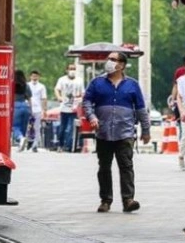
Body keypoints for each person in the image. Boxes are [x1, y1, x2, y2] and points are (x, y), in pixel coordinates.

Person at [82, 52, 150, 213]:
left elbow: (141, 108)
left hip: (125, 132)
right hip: (103, 132)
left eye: (113, 59)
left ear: (122, 64)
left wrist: (146, 130)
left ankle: (128, 200)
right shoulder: (97, 83)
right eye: (109, 59)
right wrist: (91, 116)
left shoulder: (132, 85)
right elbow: (87, 102)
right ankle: (106, 200)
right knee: (104, 167)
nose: (109, 62)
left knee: (126, 166)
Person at [54, 63, 85, 152]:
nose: (72, 70)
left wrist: (80, 98)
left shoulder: (79, 80)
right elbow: (56, 89)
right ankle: (60, 145)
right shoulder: (62, 80)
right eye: (71, 69)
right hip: (64, 107)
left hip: (74, 108)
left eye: (74, 69)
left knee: (72, 128)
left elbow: (82, 92)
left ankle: (69, 146)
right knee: (63, 128)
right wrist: (59, 97)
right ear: (67, 70)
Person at [28, 70, 48, 153]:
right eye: (33, 76)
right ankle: (28, 141)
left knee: (37, 127)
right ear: (30, 76)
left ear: (39, 77)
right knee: (28, 127)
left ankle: (35, 145)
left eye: (36, 76)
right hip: (28, 108)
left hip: (38, 109)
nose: (34, 78)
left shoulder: (42, 86)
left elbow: (44, 98)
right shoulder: (27, 85)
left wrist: (44, 110)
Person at [12, 70, 32, 149]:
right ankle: (21, 143)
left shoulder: (12, 84)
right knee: (23, 127)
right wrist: (31, 110)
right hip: (25, 106)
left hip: (16, 105)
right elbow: (29, 98)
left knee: (15, 126)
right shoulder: (26, 85)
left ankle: (20, 138)